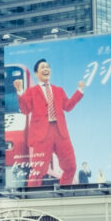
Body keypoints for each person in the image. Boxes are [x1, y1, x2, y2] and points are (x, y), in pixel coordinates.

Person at [17, 59, 87, 189]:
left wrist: (79, 91)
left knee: (71, 166)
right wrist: (20, 91)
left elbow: (68, 106)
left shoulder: (58, 90)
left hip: (60, 132)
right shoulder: (31, 91)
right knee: (37, 171)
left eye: (48, 67)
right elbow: (25, 110)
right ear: (36, 73)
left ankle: (63, 192)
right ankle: (31, 196)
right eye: (43, 67)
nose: (46, 69)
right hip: (42, 134)